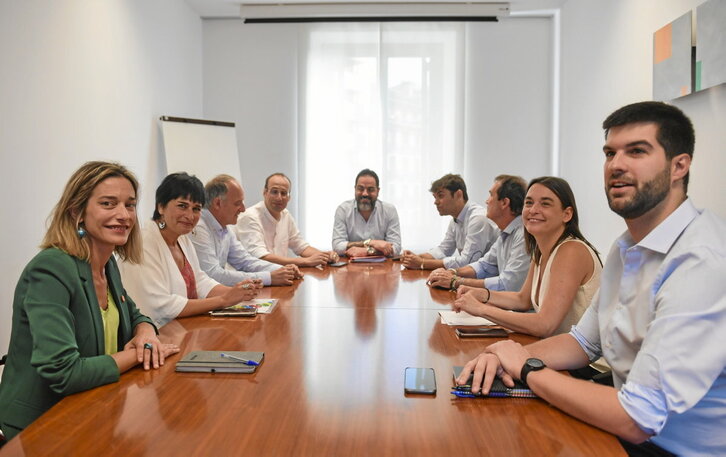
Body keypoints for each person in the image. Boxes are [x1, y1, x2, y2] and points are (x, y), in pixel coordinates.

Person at [456, 102, 726, 456]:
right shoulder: (626, 247)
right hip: (625, 433)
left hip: (666, 447)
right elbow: (582, 343)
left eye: (637, 151)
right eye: (610, 153)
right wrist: (503, 353)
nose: (616, 165)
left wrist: (525, 366)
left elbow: (638, 416)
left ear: (679, 166)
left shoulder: (701, 260)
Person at [0, 161, 179, 442]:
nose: (123, 215)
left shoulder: (107, 264)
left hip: (93, 410)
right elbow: (64, 372)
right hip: (42, 426)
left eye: (130, 205)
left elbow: (134, 315)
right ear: (77, 212)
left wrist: (145, 332)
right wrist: (136, 355)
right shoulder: (51, 268)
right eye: (108, 204)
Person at [452, 177, 602, 337]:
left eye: (545, 203)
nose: (533, 210)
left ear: (567, 214)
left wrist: (481, 309)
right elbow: (522, 299)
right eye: (529, 203)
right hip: (559, 349)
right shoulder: (541, 249)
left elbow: (545, 324)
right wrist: (481, 294)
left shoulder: (571, 250)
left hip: (587, 360)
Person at [120, 173, 261, 328]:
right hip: (155, 335)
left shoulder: (182, 238)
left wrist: (236, 292)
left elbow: (200, 282)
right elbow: (161, 306)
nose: (190, 215)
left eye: (196, 208)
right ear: (161, 206)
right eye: (182, 206)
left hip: (182, 328)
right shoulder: (143, 243)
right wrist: (224, 300)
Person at [190, 174, 302, 286]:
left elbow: (245, 261)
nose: (243, 209)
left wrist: (284, 270)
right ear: (217, 203)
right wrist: (269, 278)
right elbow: (213, 275)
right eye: (237, 203)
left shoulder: (225, 227)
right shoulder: (199, 227)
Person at [427, 175, 530, 291]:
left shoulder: (523, 235)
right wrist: (452, 272)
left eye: (491, 195)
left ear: (504, 203)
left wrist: (456, 281)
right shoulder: (505, 233)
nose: (486, 201)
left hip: (517, 307)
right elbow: (484, 265)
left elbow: (507, 284)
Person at [237, 173, 339, 267]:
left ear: (289, 197)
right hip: (252, 281)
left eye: (284, 193)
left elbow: (301, 246)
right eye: (274, 192)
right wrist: (305, 261)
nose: (279, 197)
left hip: (278, 276)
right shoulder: (249, 217)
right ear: (265, 192)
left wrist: (325, 256)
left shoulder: (285, 215)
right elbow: (260, 257)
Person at [401, 173, 498, 270]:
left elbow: (467, 262)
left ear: (458, 194)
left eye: (440, 196)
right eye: (435, 197)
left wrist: (422, 263)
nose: (436, 202)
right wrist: (416, 257)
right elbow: (443, 250)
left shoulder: (478, 218)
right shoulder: (455, 219)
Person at [332, 169, 401, 258]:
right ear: (355, 189)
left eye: (370, 189)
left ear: (378, 191)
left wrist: (367, 251)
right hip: (350, 267)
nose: (365, 193)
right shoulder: (343, 210)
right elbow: (337, 246)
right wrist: (370, 243)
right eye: (360, 188)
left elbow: (396, 248)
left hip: (382, 268)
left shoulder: (389, 210)